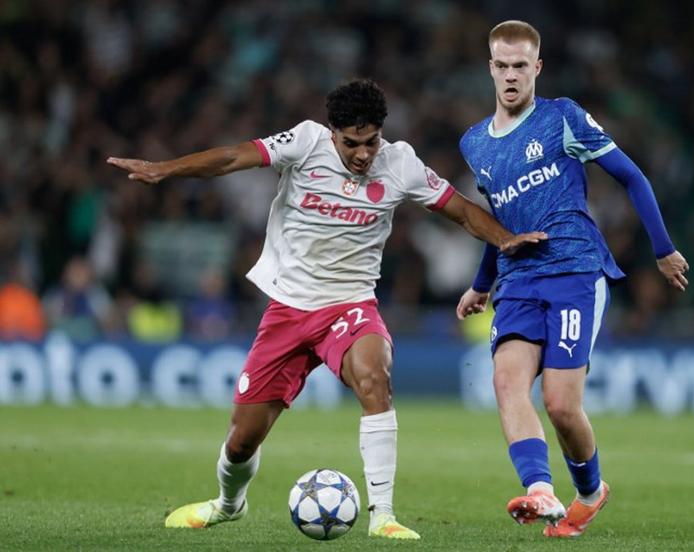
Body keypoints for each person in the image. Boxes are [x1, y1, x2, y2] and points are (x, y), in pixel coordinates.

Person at [108, 78, 545, 540]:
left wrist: (505, 239)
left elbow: (459, 209)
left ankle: (383, 516)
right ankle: (228, 503)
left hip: (350, 305)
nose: (362, 154)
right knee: (241, 441)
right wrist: (165, 170)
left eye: (370, 141)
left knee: (375, 377)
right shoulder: (305, 142)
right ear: (332, 132)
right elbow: (235, 157)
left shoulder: (400, 164)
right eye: (351, 143)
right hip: (289, 309)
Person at [455, 21, 689, 539]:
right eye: (503, 66)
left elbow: (632, 175)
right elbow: (498, 220)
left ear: (536, 68)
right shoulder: (474, 143)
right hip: (517, 279)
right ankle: (540, 491)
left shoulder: (562, 117)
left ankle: (590, 491)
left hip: (575, 270)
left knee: (561, 404)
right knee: (506, 381)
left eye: (521, 66)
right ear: (490, 68)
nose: (512, 75)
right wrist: (480, 282)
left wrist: (663, 248)